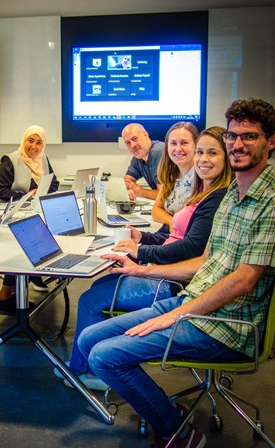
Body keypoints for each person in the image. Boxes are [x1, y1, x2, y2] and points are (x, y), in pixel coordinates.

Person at [78, 98, 275, 448]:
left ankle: (180, 432)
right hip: (193, 303)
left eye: (249, 137)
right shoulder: (232, 191)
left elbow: (243, 280)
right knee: (88, 338)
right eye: (232, 136)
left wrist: (175, 315)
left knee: (103, 357)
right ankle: (167, 410)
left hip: (226, 327)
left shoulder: (270, 201)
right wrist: (145, 270)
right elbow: (205, 261)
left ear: (270, 141)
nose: (237, 145)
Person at [58, 126, 233, 390]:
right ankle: (87, 365)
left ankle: (86, 373)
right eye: (200, 153)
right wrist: (142, 238)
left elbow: (189, 248)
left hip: (172, 280)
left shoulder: (215, 197)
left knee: (90, 300)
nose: (198, 158)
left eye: (208, 152)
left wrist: (141, 253)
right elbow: (172, 233)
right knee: (98, 287)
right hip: (167, 268)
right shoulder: (199, 188)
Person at [0, 125, 60, 314]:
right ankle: (5, 297)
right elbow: (0, 190)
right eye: (31, 140)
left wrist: (43, 192)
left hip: (28, 212)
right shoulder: (11, 159)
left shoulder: (43, 159)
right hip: (5, 213)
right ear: (24, 140)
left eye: (39, 143)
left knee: (44, 234)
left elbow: (54, 182)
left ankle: (31, 277)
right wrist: (27, 194)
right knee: (26, 243)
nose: (34, 146)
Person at [151, 121, 198, 230]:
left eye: (184, 143)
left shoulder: (201, 176)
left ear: (196, 145)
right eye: (173, 143)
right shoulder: (171, 174)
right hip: (173, 234)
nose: (178, 149)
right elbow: (156, 210)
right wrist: (171, 222)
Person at [122, 123, 163, 200]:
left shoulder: (158, 152)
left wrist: (140, 191)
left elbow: (163, 196)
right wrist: (128, 190)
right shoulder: (139, 157)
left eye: (135, 139)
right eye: (128, 143)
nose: (133, 145)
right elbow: (126, 181)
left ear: (146, 134)